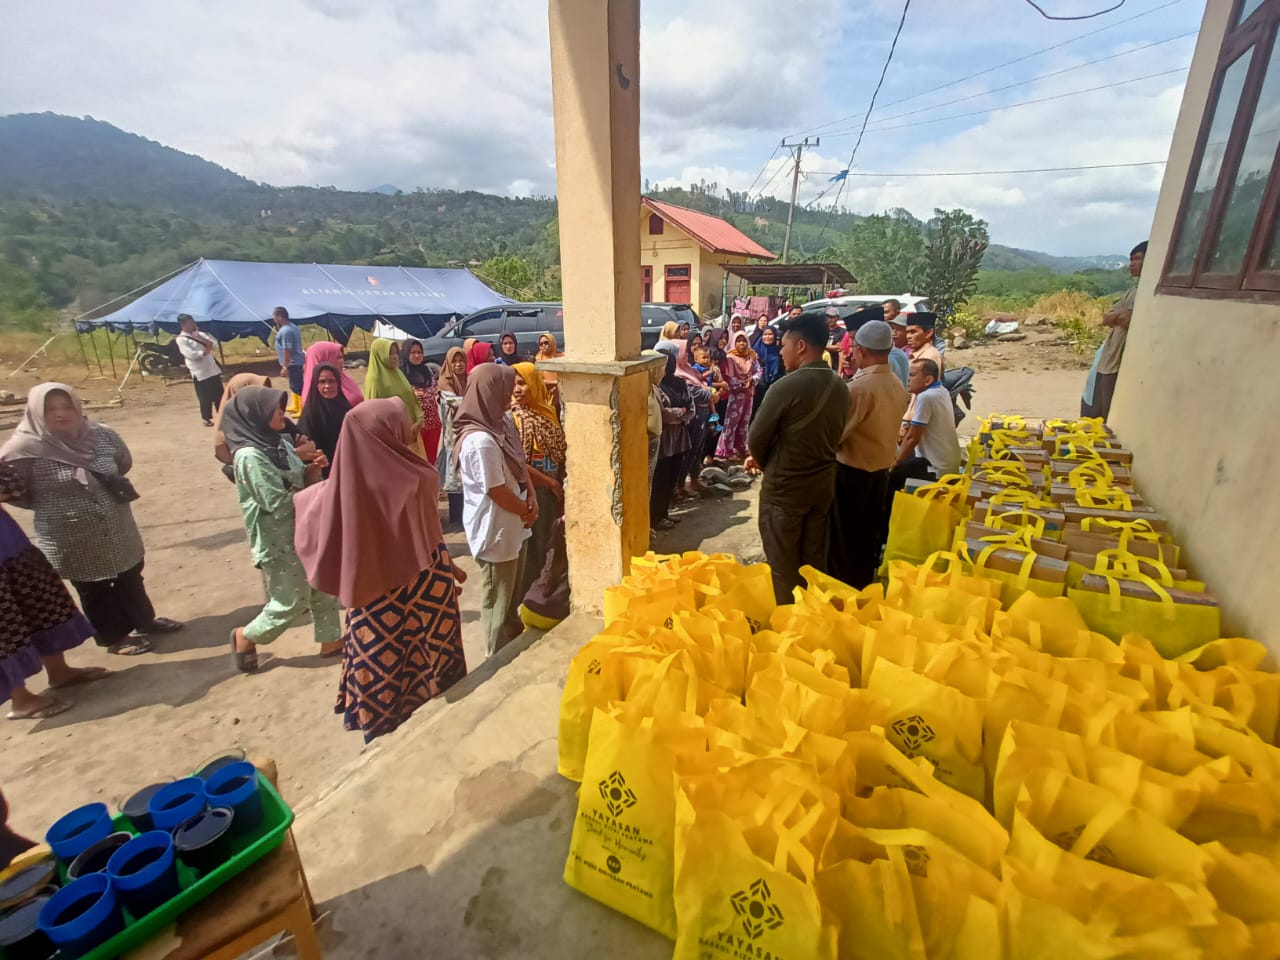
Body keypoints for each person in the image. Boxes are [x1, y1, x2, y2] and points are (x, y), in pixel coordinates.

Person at [293, 399, 467, 742]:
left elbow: (310, 518)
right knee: (435, 678)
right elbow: (427, 533)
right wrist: (445, 565)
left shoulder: (341, 488)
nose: (408, 430)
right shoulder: (415, 476)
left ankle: (380, 731)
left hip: (373, 604)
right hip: (426, 595)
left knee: (384, 676)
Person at [1, 383, 181, 656]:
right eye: (50, 409)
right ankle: (114, 637)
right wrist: (60, 504)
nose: (61, 414)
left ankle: (144, 621)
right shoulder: (22, 449)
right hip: (69, 533)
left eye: (67, 407)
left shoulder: (101, 435)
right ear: (36, 412)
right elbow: (14, 492)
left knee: (131, 573)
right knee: (93, 586)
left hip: (116, 521)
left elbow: (122, 463)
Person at [224, 386, 340, 671]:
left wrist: (313, 471)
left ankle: (331, 639)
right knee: (291, 600)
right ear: (256, 414)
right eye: (275, 409)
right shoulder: (249, 457)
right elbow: (276, 503)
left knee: (323, 583)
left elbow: (298, 479)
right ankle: (247, 635)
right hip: (278, 538)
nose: (282, 413)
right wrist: (322, 493)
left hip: (304, 526)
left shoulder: (279, 443)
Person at [746, 312, 849, 603]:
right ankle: (812, 616)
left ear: (801, 346)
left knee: (782, 567)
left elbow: (756, 438)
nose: (781, 352)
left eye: (784, 345)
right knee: (813, 562)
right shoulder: (840, 386)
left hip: (785, 490)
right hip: (822, 488)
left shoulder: (786, 386)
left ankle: (788, 622)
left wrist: (766, 464)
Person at [0, 462, 105, 720]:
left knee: (39, 602)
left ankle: (59, 672)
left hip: (9, 545)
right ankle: (21, 700)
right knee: (4, 628)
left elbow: (13, 484)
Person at [456, 364, 535, 657]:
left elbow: (520, 464)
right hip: (497, 530)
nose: (510, 394)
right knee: (498, 606)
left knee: (512, 598)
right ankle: (496, 659)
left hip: (515, 523)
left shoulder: (501, 424)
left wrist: (531, 499)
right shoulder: (480, 441)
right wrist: (526, 509)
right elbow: (496, 491)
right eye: (505, 388)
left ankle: (510, 650)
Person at [827, 321, 910, 588]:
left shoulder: (859, 388)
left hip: (852, 475)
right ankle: (863, 586)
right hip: (880, 473)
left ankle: (843, 592)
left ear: (860, 350)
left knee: (843, 543)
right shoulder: (896, 383)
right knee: (867, 537)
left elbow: (836, 435)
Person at [510, 362, 566, 601]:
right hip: (537, 490)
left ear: (534, 384)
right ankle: (525, 602)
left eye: (522, 384)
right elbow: (520, 465)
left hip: (555, 488)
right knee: (535, 549)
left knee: (551, 544)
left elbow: (560, 452)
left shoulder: (547, 412)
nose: (517, 390)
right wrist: (550, 483)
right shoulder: (515, 419)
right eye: (514, 385)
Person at [1082, 240, 1146, 421]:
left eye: (1138, 259)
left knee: (1110, 413)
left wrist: (1119, 316)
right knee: (1100, 408)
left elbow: (1127, 319)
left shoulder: (1145, 293)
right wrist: (1120, 315)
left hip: (1119, 358)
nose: (1132, 264)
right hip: (1110, 356)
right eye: (1131, 260)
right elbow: (1106, 318)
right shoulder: (1132, 291)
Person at [893, 358, 962, 488]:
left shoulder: (926, 397)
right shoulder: (941, 390)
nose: (908, 379)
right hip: (948, 462)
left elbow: (912, 438)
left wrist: (896, 463)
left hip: (936, 467)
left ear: (928, 380)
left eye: (912, 375)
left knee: (892, 477)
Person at [651, 343, 692, 531]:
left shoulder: (680, 383)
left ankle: (665, 513)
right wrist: (680, 412)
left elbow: (691, 409)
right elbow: (663, 414)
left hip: (679, 437)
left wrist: (679, 414)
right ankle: (656, 517)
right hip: (664, 438)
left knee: (672, 478)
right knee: (661, 478)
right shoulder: (655, 386)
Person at [364, 339, 426, 459]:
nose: (394, 357)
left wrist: (418, 420)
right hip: (392, 439)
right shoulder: (375, 379)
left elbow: (411, 398)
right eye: (389, 353)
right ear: (379, 355)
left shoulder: (397, 373)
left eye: (396, 353)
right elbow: (372, 415)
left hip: (411, 433)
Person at [297, 364, 352, 479]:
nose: (327, 386)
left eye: (332, 381)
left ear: (338, 383)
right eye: (322, 382)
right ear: (315, 385)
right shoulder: (311, 412)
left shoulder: (345, 407)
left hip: (347, 464)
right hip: (324, 470)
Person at [675, 340, 714, 499]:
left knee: (698, 448)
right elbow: (692, 392)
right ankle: (679, 485)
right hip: (694, 415)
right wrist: (710, 394)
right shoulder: (678, 373)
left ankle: (694, 479)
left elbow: (701, 383)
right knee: (689, 450)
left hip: (703, 412)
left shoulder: (689, 369)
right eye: (684, 352)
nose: (687, 355)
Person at [716, 332, 762, 461]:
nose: (741, 343)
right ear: (734, 342)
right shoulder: (730, 357)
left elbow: (758, 370)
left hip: (748, 394)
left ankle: (741, 446)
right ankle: (726, 449)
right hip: (735, 395)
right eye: (738, 341)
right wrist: (742, 385)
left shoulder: (751, 356)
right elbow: (729, 376)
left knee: (744, 420)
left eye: (744, 341)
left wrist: (752, 380)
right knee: (731, 422)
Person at [437, 347, 469, 526]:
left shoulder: (468, 380)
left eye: (461, 360)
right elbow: (455, 401)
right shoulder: (444, 383)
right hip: (453, 436)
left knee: (466, 475)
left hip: (466, 432)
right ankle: (455, 517)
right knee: (455, 477)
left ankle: (465, 515)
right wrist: (475, 400)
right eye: (454, 361)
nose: (458, 365)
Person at [175, 314, 222, 427]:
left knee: (219, 395)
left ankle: (222, 416)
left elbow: (214, 345)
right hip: (200, 372)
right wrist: (205, 352)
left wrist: (202, 339)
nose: (193, 324)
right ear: (183, 325)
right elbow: (191, 355)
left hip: (212, 369)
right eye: (190, 323)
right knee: (205, 397)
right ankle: (206, 418)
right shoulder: (181, 339)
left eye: (193, 322)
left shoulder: (200, 334)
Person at [402, 339, 443, 465]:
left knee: (431, 461)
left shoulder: (427, 371)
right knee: (417, 462)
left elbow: (436, 391)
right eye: (413, 352)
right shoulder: (401, 375)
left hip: (433, 423)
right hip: (416, 426)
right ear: (406, 353)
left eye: (419, 352)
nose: (416, 355)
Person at [301, 342, 363, 408]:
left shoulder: (344, 379)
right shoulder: (315, 396)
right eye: (338, 358)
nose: (342, 361)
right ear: (324, 360)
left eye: (342, 357)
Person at [752, 325, 784, 423]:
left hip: (774, 384)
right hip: (759, 385)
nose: (767, 337)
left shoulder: (779, 350)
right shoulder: (755, 350)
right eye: (765, 334)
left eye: (770, 334)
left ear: (774, 336)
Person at [273, 307, 305, 397]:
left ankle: (307, 403)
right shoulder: (292, 326)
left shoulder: (286, 331)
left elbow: (287, 350)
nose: (273, 319)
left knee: (297, 388)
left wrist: (285, 367)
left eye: (274, 316)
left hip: (293, 364)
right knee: (298, 386)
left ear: (280, 317)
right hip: (297, 362)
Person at [533, 333, 564, 408]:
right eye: (541, 344)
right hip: (546, 397)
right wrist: (556, 383)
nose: (543, 345)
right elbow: (538, 380)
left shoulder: (562, 357)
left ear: (552, 343)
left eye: (546, 343)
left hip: (562, 394)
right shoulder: (537, 360)